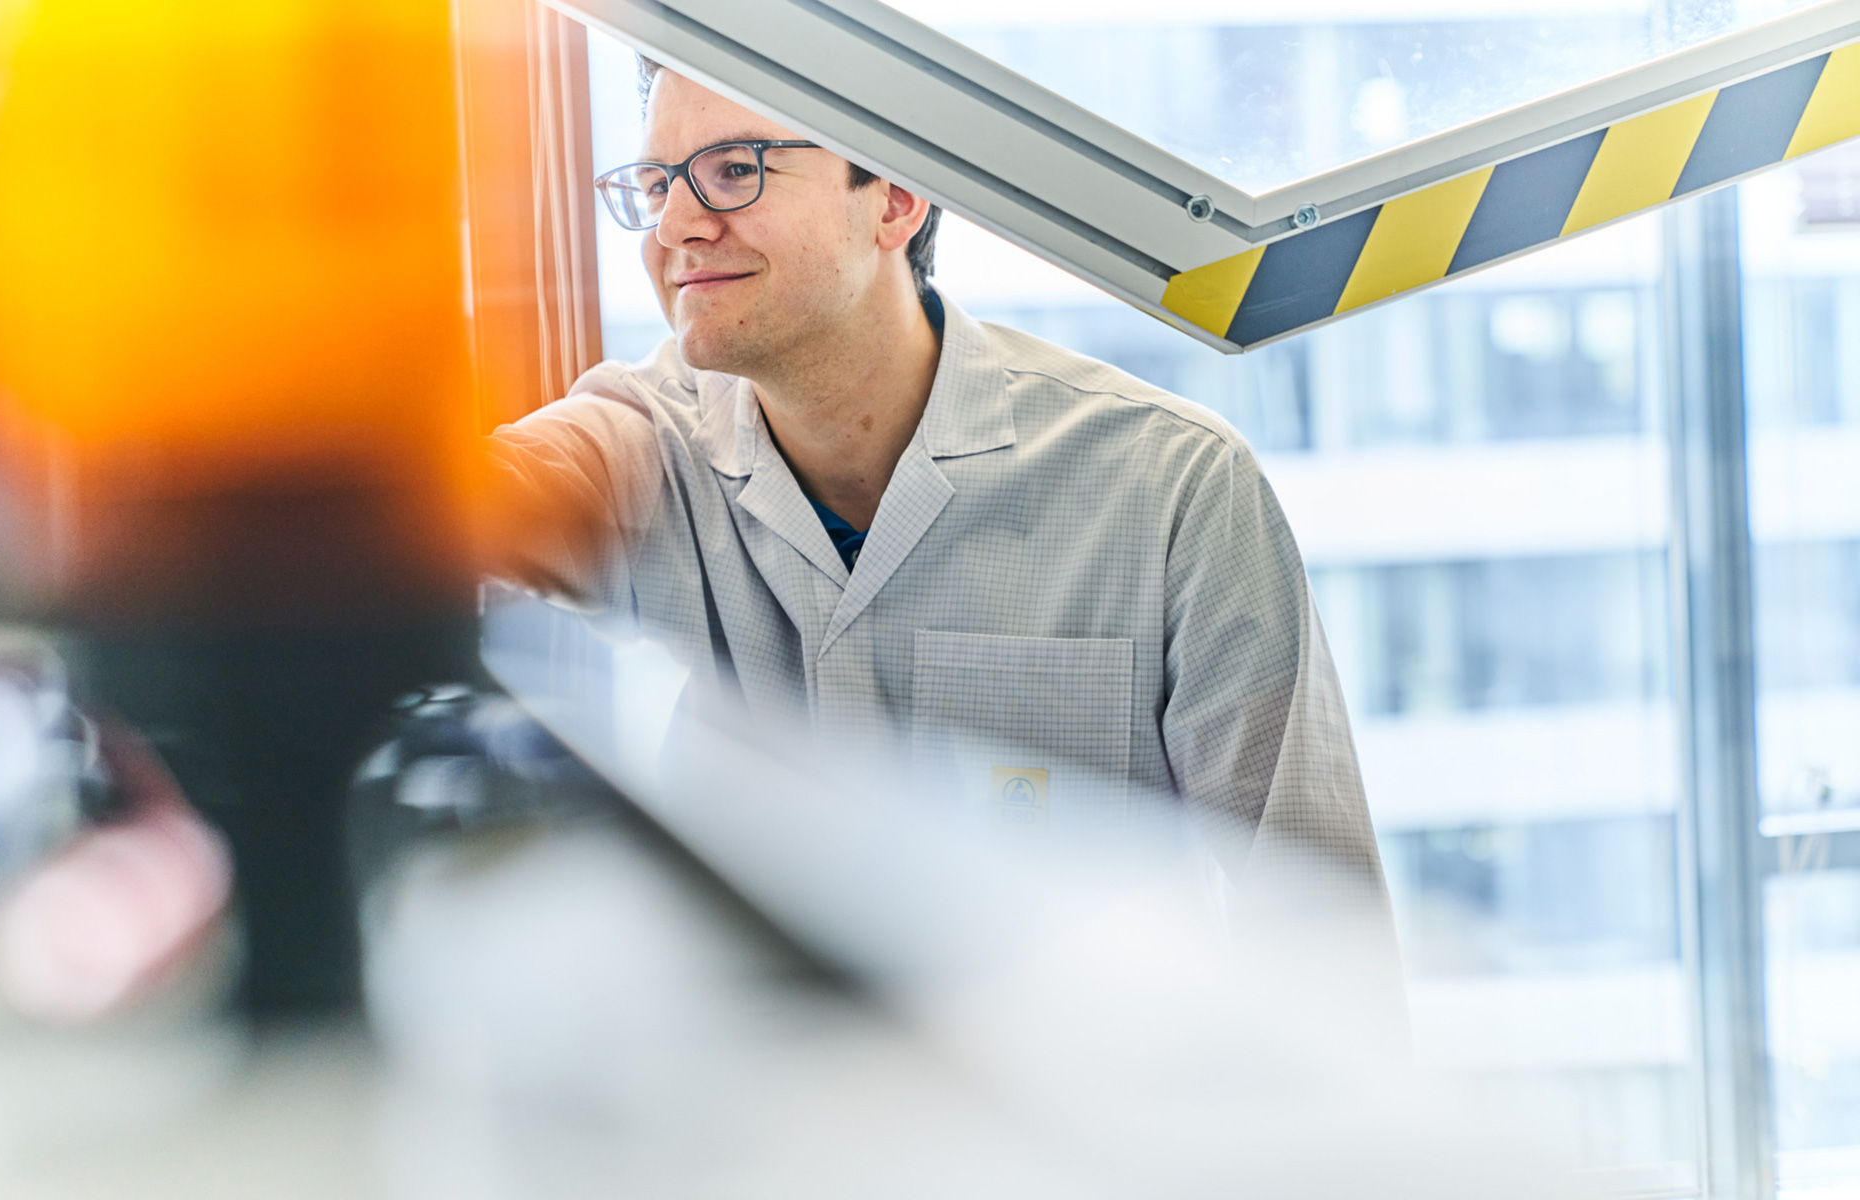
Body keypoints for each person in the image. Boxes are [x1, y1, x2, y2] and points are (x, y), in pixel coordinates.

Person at [488, 59, 1392, 914]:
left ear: (896, 198)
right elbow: (462, 518)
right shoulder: (641, 441)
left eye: (734, 170)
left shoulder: (1171, 485)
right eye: (656, 186)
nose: (674, 225)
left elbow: (1314, 924)